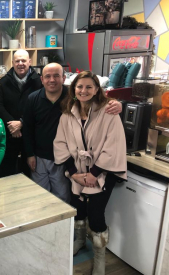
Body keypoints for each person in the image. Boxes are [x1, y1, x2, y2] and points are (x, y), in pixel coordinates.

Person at [54, 71, 127, 275]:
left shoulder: (109, 112)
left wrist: (94, 173)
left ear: (96, 90)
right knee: (78, 208)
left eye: (88, 87)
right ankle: (79, 240)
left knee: (96, 215)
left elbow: (112, 146)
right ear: (73, 90)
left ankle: (100, 257)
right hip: (77, 172)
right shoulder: (67, 114)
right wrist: (73, 173)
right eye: (79, 87)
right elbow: (59, 144)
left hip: (103, 172)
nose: (83, 90)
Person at [23, 63, 122, 203]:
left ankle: (63, 225)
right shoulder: (33, 99)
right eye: (48, 76)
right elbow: (27, 128)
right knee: (39, 198)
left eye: (56, 76)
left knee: (62, 198)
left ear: (63, 78)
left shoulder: (72, 97)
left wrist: (116, 103)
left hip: (66, 159)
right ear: (42, 79)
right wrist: (29, 154)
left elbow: (95, 99)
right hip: (39, 158)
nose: (52, 80)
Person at [0, 49, 42, 177]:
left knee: (30, 169)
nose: (20, 63)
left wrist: (21, 123)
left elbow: (40, 108)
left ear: (29, 62)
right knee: (7, 169)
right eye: (17, 61)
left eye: (23, 60)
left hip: (31, 133)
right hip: (10, 133)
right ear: (12, 63)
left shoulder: (38, 81)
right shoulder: (5, 81)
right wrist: (12, 125)